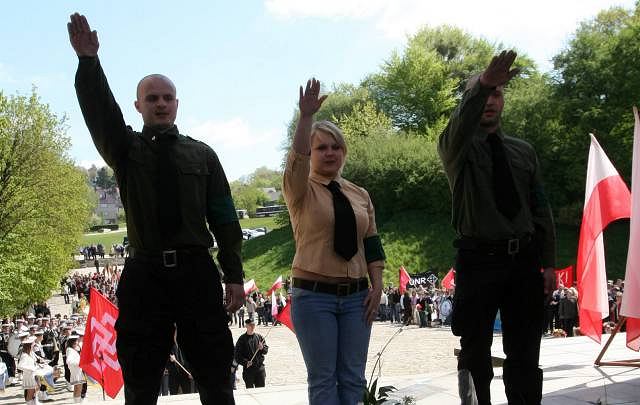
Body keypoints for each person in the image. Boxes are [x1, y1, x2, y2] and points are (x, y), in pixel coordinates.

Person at [67, 13, 245, 404]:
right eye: (152, 98)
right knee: (141, 377)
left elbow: (225, 218)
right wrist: (89, 62)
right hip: (145, 273)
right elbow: (101, 114)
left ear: (177, 104)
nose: (161, 104)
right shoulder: (126, 151)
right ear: (138, 105)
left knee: (215, 373)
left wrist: (233, 273)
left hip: (196, 271)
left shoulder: (202, 155)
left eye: (167, 98)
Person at [438, 50, 556, 404]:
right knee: (475, 353)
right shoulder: (457, 148)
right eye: (481, 93)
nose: (489, 100)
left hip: (523, 261)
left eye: (496, 93)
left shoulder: (523, 151)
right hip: (478, 260)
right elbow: (458, 126)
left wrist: (548, 261)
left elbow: (539, 206)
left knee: (525, 353)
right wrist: (483, 82)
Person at [283, 78, 386, 405]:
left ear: (344, 151)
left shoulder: (359, 194)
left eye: (335, 146)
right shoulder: (299, 189)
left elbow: (371, 242)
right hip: (314, 298)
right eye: (321, 147)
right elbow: (297, 158)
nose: (329, 153)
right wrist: (305, 119)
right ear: (311, 153)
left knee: (353, 379)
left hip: (357, 298)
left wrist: (378, 285)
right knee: (324, 380)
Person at [234, 319, 268, 388]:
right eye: (250, 325)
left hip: (259, 369)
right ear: (246, 326)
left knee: (261, 390)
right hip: (248, 370)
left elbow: (265, 351)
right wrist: (245, 362)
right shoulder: (242, 339)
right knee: (250, 390)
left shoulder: (259, 337)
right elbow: (237, 355)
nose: (252, 327)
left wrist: (262, 348)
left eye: (253, 325)